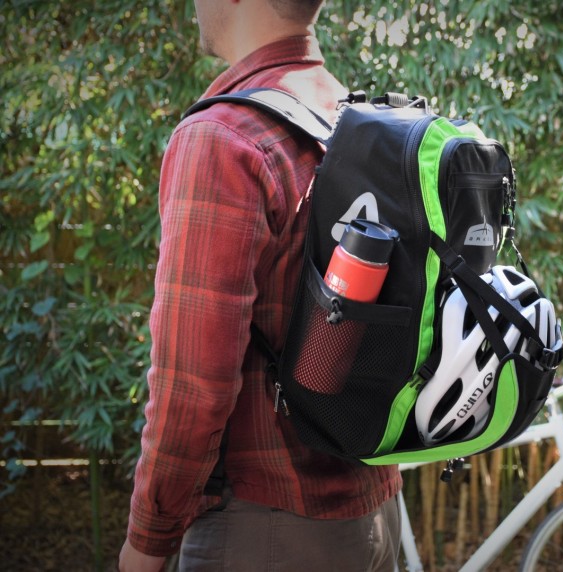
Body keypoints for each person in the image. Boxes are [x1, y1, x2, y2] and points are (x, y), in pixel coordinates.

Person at [119, 1, 402, 570]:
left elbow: (193, 384)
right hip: (375, 511)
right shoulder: (356, 116)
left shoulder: (224, 137)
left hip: (264, 528)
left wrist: (147, 541)